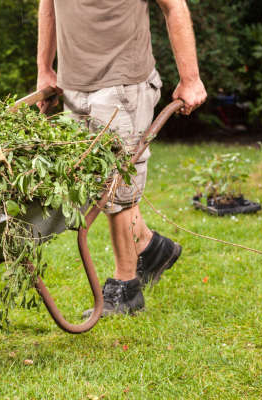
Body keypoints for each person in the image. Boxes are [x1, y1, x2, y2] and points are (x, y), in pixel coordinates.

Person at [36, 0, 207, 317]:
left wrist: (190, 77)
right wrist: (44, 69)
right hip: (75, 87)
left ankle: (126, 288)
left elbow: (174, 7)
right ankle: (151, 247)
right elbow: (48, 6)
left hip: (123, 85)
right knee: (96, 183)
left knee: (118, 187)